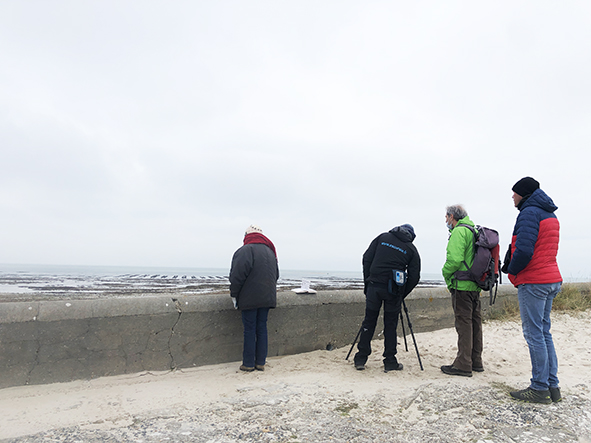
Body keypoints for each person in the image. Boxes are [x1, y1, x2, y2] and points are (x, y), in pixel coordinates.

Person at [505, 177, 562, 404]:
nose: (512, 197)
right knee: (544, 332)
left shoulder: (529, 212)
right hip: (551, 277)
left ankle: (539, 388)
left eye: (514, 193)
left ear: (524, 194)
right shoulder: (550, 214)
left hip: (535, 280)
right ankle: (552, 386)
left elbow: (524, 250)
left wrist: (512, 272)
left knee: (534, 334)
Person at [354, 224, 421, 372]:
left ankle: (360, 358)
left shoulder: (382, 237)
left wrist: (368, 280)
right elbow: (415, 277)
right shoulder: (411, 249)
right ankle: (390, 361)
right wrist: (402, 292)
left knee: (369, 321)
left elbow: (366, 258)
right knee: (390, 324)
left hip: (374, 286)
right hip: (393, 290)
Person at [229, 225, 279, 372]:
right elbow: (276, 275)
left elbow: (237, 276)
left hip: (249, 298)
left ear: (247, 235)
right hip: (267, 297)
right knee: (262, 328)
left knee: (250, 330)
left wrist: (234, 295)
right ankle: (261, 362)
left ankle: (248, 363)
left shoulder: (245, 250)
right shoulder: (270, 252)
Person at [441, 204, 483, 377]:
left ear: (452, 216)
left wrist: (445, 274)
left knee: (464, 323)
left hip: (462, 285)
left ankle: (463, 364)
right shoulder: (473, 230)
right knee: (475, 323)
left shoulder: (459, 232)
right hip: (474, 284)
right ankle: (476, 361)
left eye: (446, 217)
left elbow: (455, 259)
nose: (445, 220)